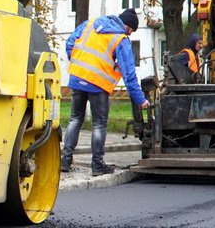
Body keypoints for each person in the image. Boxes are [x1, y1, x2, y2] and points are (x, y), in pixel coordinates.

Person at [60, 9, 151, 176]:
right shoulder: (120, 39)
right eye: (130, 31)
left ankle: (65, 161)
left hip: (77, 79)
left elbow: (70, 43)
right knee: (99, 124)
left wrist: (78, 63)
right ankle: (97, 165)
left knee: (75, 119)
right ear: (127, 26)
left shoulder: (90, 24)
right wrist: (140, 100)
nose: (129, 34)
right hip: (98, 85)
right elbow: (129, 73)